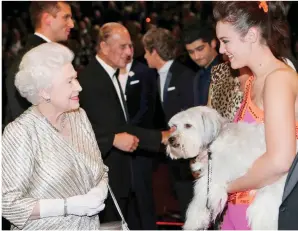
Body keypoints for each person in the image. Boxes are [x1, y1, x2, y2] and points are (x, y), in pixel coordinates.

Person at [2, 42, 108, 230]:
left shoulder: (79, 117)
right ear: (44, 90)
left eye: (76, 78)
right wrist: (68, 206)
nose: (79, 87)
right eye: (69, 81)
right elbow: (7, 203)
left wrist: (100, 189)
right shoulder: (21, 133)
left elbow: (100, 169)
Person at [213, 1, 298, 229]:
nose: (221, 50)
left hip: (263, 214)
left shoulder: (278, 79)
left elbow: (280, 161)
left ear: (251, 35)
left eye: (226, 41)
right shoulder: (253, 81)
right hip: (239, 211)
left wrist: (223, 185)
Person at [78, 22, 172, 227]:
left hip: (124, 175)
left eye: (130, 46)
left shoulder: (106, 74)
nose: (129, 52)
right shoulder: (92, 80)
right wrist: (160, 137)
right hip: (108, 179)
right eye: (123, 47)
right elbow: (116, 128)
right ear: (103, 47)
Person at [142, 27, 195, 221]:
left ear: (154, 51)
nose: (144, 57)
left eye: (146, 52)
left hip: (187, 156)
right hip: (172, 156)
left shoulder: (184, 75)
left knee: (189, 200)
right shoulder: (154, 77)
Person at [4, 1, 74, 126]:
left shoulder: (43, 54)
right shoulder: (34, 59)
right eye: (66, 17)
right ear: (47, 19)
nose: (72, 24)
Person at [117, 50, 159, 229]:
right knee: (126, 202)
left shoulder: (144, 72)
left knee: (144, 199)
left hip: (141, 146)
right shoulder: (108, 74)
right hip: (118, 149)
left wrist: (128, 130)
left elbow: (147, 108)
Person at [183, 22, 222, 106]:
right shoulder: (198, 76)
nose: (196, 56)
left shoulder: (226, 71)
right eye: (191, 52)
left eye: (200, 49)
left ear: (213, 43)